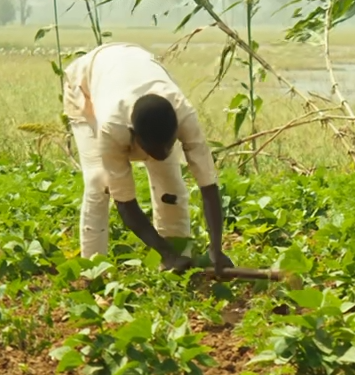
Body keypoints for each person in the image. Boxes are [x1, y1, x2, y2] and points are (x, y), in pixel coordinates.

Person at [62, 41, 233, 274]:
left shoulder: (183, 115)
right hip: (86, 87)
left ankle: (177, 264)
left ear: (176, 131)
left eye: (169, 145)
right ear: (134, 137)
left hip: (134, 61)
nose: (162, 154)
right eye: (155, 149)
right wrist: (164, 252)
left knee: (170, 184)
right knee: (99, 182)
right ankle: (93, 270)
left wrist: (216, 248)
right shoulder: (112, 127)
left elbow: (209, 186)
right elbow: (125, 205)